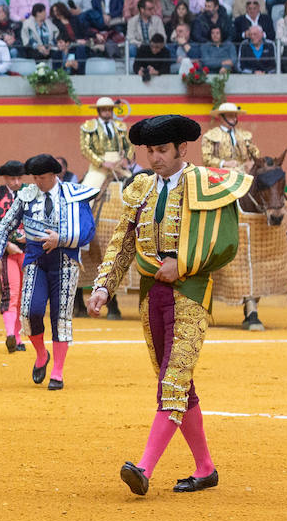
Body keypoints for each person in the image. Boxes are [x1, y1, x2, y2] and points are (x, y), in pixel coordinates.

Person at [88, 115, 252, 497]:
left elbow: (226, 243)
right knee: (178, 384)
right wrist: (103, 287)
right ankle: (206, 468)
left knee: (173, 381)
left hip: (190, 291)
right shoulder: (141, 187)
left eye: (162, 150)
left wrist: (185, 263)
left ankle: (144, 468)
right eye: (150, 151)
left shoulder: (207, 183)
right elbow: (123, 242)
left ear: (182, 148)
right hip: (152, 295)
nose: (155, 158)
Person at [0, 154, 99, 389]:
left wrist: (61, 239)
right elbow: (5, 225)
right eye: (35, 177)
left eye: (42, 177)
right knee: (29, 311)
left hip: (65, 262)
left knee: (61, 317)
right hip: (36, 260)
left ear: (54, 175)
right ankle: (41, 354)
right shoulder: (26, 195)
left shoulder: (75, 194)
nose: (37, 182)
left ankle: (57, 372)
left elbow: (88, 230)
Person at [201, 101, 265, 329]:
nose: (234, 117)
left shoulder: (245, 135)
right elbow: (206, 157)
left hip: (243, 175)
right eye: (230, 114)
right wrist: (223, 163)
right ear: (222, 117)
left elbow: (257, 155)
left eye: (235, 114)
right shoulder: (211, 135)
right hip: (221, 176)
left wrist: (252, 162)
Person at [0, 161, 27, 351]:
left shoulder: (28, 193)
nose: (16, 182)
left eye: (19, 178)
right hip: (5, 251)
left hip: (27, 251)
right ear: (5, 178)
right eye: (12, 179)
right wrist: (7, 244)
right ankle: (11, 333)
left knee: (21, 296)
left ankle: (17, 337)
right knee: (11, 293)